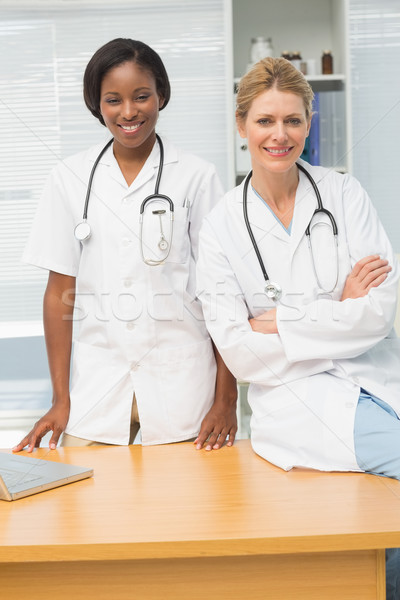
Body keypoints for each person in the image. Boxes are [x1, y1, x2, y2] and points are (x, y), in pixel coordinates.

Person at [196, 57, 400, 598]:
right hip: (302, 404)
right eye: (264, 121)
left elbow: (379, 313)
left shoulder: (343, 194)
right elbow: (239, 354)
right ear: (242, 126)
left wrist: (283, 321)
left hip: (376, 378)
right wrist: (340, 307)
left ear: (309, 124)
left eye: (292, 120)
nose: (279, 135)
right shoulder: (219, 227)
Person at [13, 38, 237, 453]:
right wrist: (61, 399)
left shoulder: (196, 177)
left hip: (185, 394)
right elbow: (59, 293)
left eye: (141, 96)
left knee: (187, 515)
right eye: (113, 99)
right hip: (97, 395)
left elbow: (221, 294)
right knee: (88, 512)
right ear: (97, 104)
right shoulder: (69, 178)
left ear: (161, 95)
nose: (129, 111)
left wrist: (227, 399)